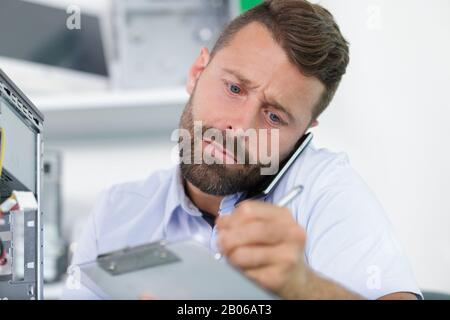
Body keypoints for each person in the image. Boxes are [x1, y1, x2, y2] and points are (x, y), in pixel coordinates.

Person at [62, 0, 421, 300]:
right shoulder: (117, 211)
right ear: (197, 71)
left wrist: (304, 287)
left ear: (302, 134)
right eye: (234, 89)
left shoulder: (327, 191)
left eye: (274, 116)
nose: (240, 128)